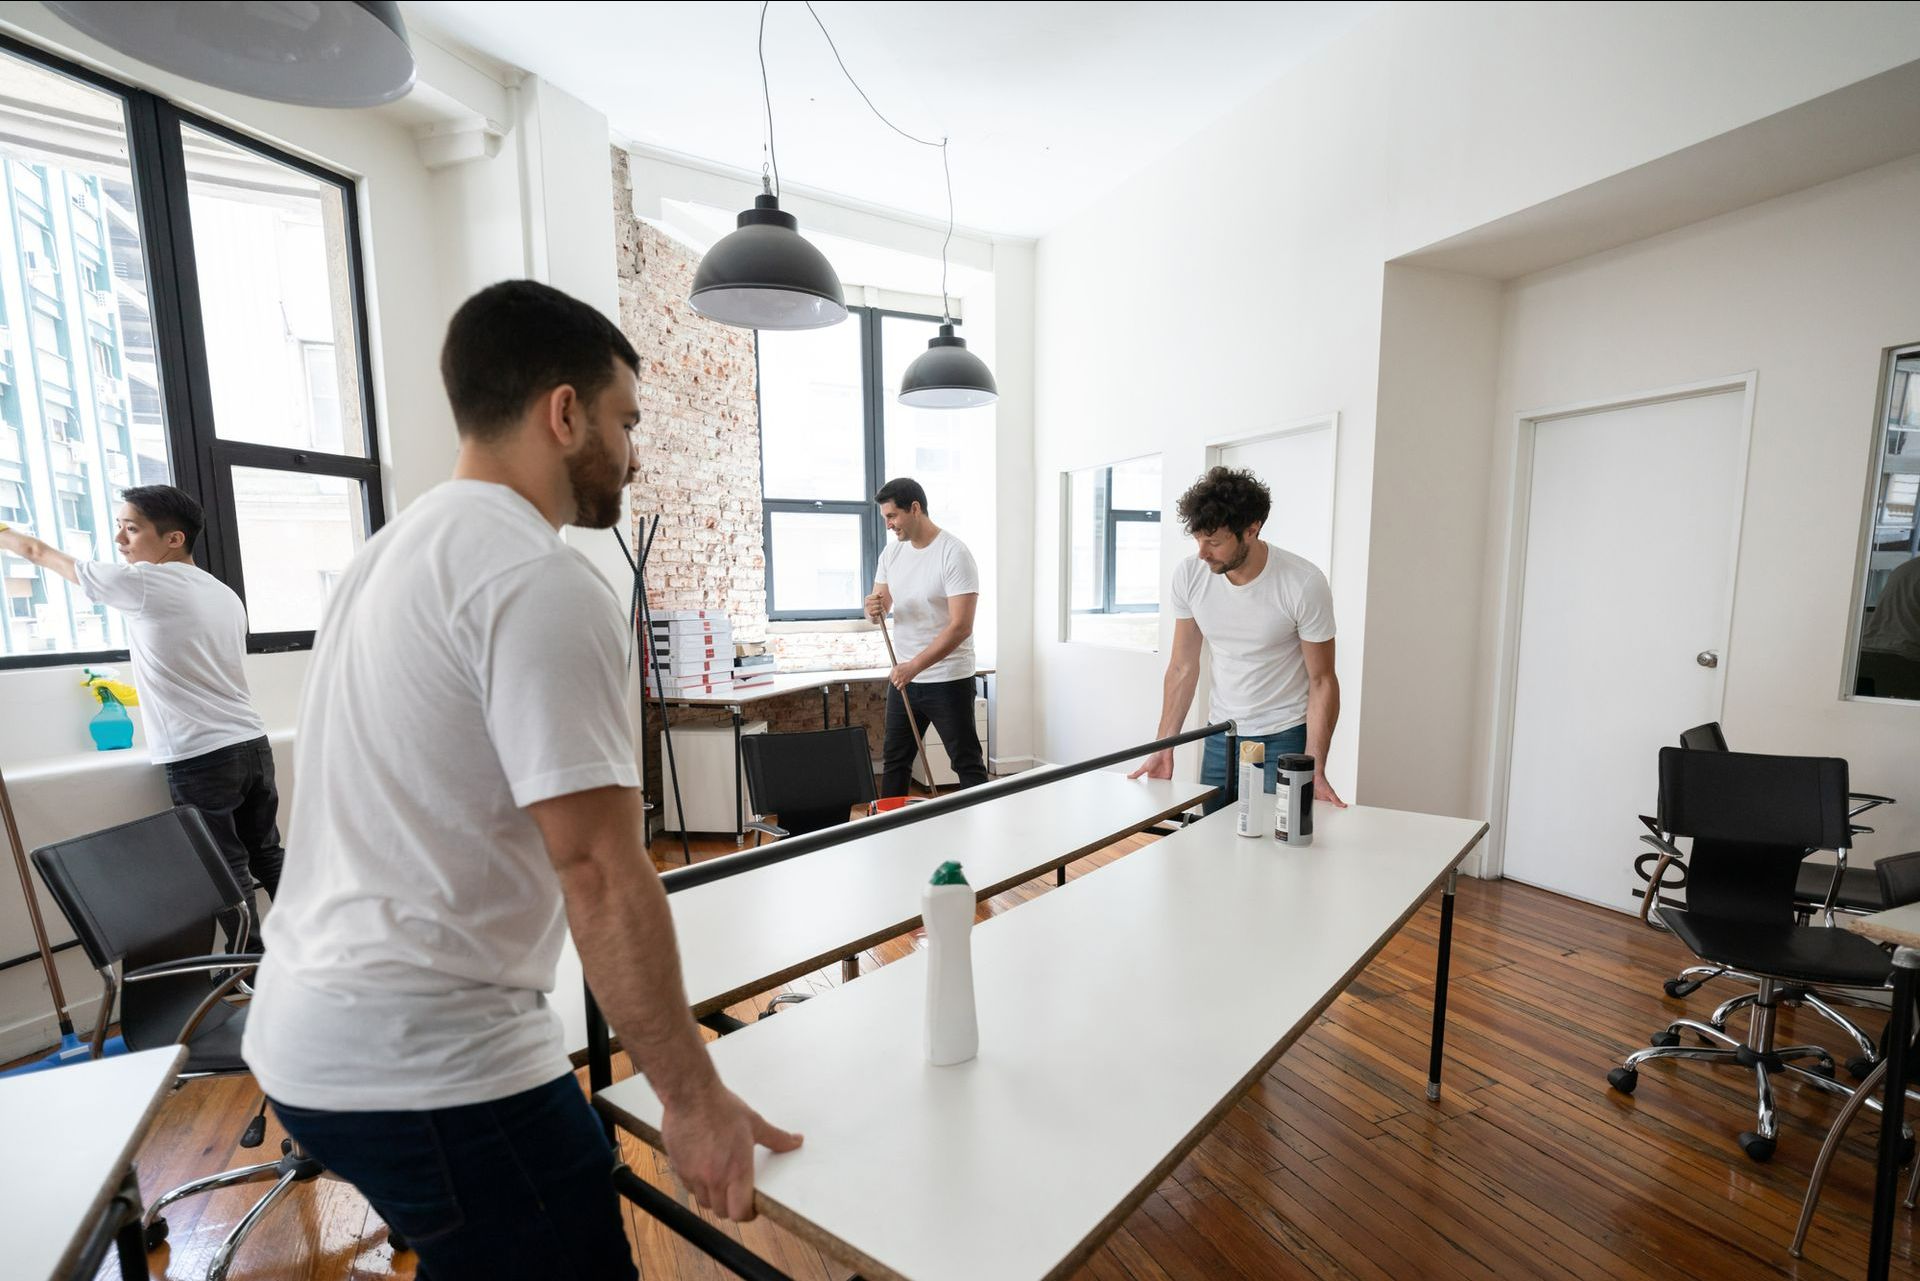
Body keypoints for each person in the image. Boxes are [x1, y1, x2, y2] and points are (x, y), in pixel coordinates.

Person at [242, 280, 799, 1280]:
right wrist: (694, 1097)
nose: (633, 453)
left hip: (307, 1023)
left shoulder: (387, 555)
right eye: (626, 420)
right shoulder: (538, 580)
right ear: (565, 411)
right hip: (427, 1058)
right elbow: (595, 867)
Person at [0, 486, 282, 934]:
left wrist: (3, 530)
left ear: (173, 539)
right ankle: (313, 946)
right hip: (251, 744)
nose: (119, 541)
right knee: (266, 852)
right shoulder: (224, 594)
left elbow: (37, 552)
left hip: (202, 754)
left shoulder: (147, 583)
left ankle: (247, 968)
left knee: (223, 866)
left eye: (131, 529)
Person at [1129, 466, 1346, 814]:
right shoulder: (1190, 575)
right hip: (1221, 737)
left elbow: (1322, 680)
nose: (1202, 552)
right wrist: (1163, 747)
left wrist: (1315, 766)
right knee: (1213, 843)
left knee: (1277, 850)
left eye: (1214, 541)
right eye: (1198, 539)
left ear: (1252, 529)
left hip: (1284, 735)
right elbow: (1183, 667)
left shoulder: (1303, 583)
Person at [862, 477, 988, 797]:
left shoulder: (953, 553)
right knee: (896, 761)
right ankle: (890, 832)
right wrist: (872, 608)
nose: (888, 525)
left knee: (966, 763)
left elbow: (961, 626)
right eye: (885, 518)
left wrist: (914, 666)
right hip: (905, 676)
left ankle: (983, 836)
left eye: (892, 516)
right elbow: (881, 607)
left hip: (947, 678)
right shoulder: (892, 555)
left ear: (915, 509)